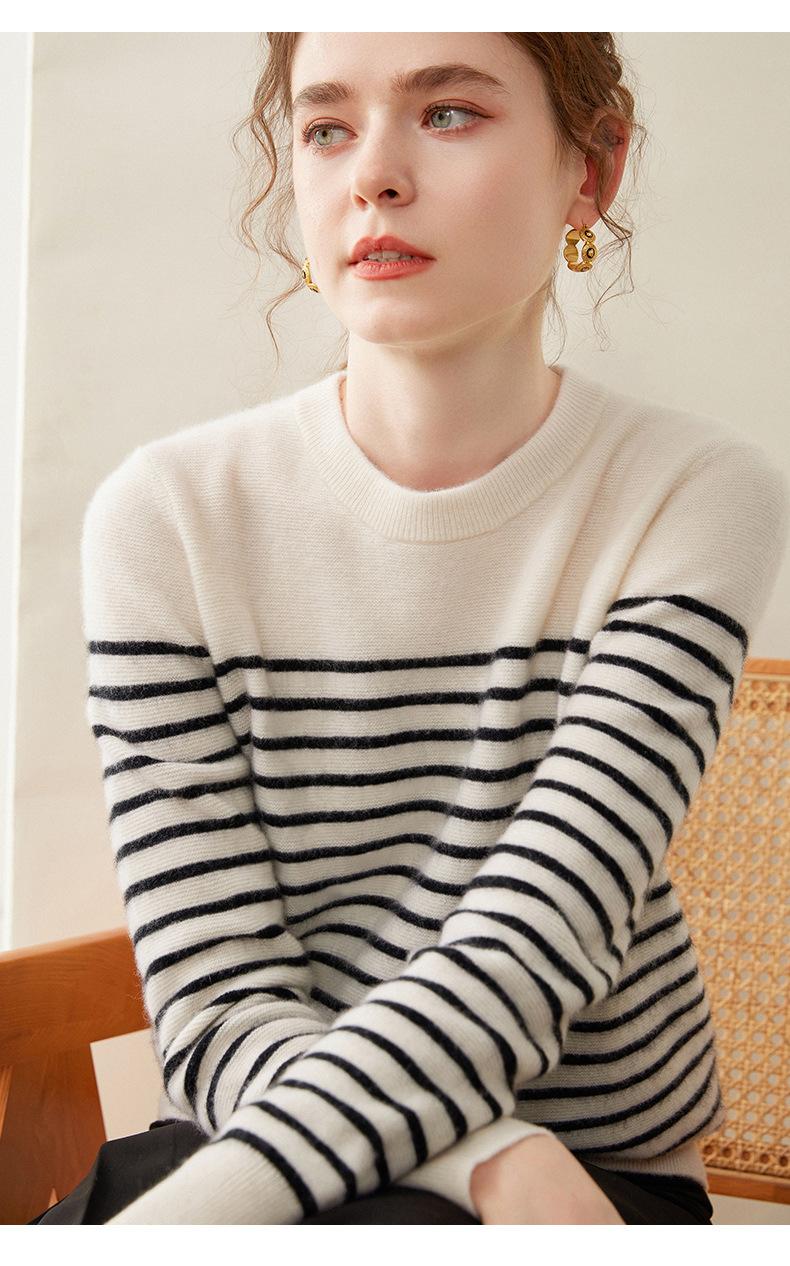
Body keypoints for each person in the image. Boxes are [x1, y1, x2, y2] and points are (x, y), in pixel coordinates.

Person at [30, 31, 786, 1225]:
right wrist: (483, 1154)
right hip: (264, 1134)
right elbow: (215, 995)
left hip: (587, 1180)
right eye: (327, 128)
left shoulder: (691, 494)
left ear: (591, 169)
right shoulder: (164, 516)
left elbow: (538, 934)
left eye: (448, 114)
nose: (372, 176)